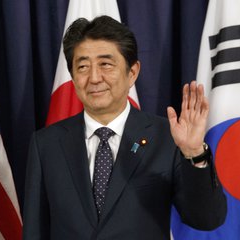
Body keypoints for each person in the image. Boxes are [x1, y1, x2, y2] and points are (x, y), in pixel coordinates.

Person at [23, 16, 227, 240]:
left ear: (132, 72)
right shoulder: (46, 143)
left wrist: (194, 153)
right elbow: (35, 231)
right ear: (72, 77)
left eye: (106, 64)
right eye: (82, 67)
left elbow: (207, 219)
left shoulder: (167, 137)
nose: (94, 78)